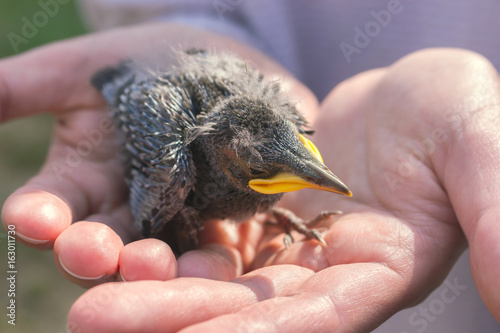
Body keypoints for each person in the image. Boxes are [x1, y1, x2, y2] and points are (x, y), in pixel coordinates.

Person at [2, 1, 500, 332]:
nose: (305, 173)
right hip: (168, 91)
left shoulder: (283, 123)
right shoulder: (177, 150)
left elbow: (273, 148)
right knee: (163, 201)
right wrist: (170, 225)